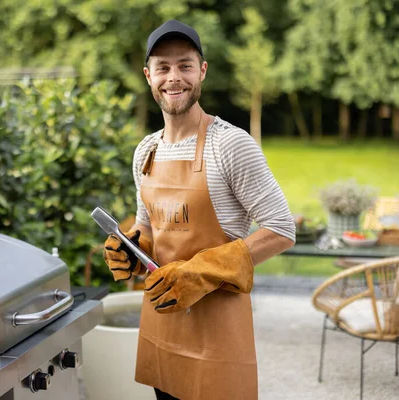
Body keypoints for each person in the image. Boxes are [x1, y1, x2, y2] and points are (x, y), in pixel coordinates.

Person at [103, 19, 296, 400]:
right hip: (164, 325)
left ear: (202, 71)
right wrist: (132, 248)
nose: (174, 78)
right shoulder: (146, 151)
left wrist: (203, 271)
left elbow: (281, 228)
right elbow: (149, 227)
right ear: (148, 76)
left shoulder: (230, 145)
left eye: (185, 65)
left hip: (217, 337)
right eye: (163, 67)